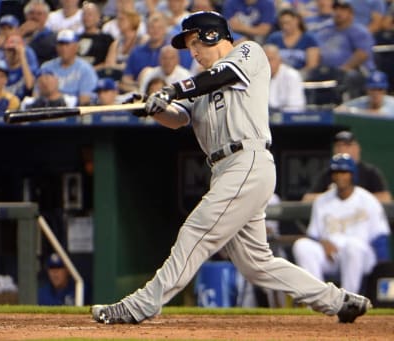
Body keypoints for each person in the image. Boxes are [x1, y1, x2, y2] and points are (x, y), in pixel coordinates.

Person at [91, 10, 372, 325]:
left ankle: (141, 304)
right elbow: (177, 118)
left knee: (197, 231)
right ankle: (339, 301)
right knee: (257, 263)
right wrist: (151, 106)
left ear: (212, 35)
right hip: (225, 169)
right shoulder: (199, 83)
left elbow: (220, 77)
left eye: (195, 43)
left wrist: (173, 89)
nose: (193, 53)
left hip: (247, 159)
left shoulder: (248, 52)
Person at [293, 153, 391, 294]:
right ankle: (317, 299)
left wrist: (383, 271)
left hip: (362, 255)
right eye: (336, 172)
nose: (339, 176)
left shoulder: (368, 200)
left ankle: (349, 300)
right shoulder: (322, 201)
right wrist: (322, 242)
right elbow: (313, 235)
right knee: (302, 246)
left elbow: (380, 238)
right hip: (332, 256)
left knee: (352, 247)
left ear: (352, 174)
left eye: (344, 172)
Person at [302, 130, 392, 203]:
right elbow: (307, 199)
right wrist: (330, 195)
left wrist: (352, 196)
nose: (342, 149)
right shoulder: (329, 172)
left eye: (347, 145)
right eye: (338, 146)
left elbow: (386, 198)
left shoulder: (370, 172)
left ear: (357, 148)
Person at [314, 0, 376, 100]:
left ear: (351, 13)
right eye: (336, 9)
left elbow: (363, 54)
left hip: (354, 71)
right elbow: (316, 50)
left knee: (349, 77)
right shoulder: (326, 30)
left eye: (343, 9)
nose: (338, 12)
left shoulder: (359, 31)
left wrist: (344, 68)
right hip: (328, 70)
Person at [40, 29, 98, 105]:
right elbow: (37, 95)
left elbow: (85, 100)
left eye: (67, 44)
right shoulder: (47, 67)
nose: (63, 48)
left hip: (74, 110)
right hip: (48, 108)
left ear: (76, 46)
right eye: (61, 44)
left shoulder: (85, 69)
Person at [265, 8, 320, 77]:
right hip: (278, 77)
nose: (285, 26)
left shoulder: (309, 39)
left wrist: (294, 77)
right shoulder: (274, 39)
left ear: (297, 20)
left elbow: (312, 65)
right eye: (282, 23)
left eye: (288, 22)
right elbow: (268, 61)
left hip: (302, 77)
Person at [263, 44, 306, 113]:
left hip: (288, 121)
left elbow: (296, 107)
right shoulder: (258, 77)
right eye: (264, 61)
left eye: (270, 60)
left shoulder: (291, 76)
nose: (267, 64)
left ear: (280, 60)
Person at [76, 2, 114, 70]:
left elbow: (109, 64)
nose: (86, 17)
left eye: (90, 14)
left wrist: (89, 71)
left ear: (98, 17)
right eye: (84, 14)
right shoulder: (75, 38)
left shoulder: (107, 39)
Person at [18, 0, 58, 65]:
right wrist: (20, 34)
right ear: (25, 16)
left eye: (39, 14)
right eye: (31, 13)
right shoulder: (18, 32)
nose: (35, 17)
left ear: (46, 17)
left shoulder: (52, 38)